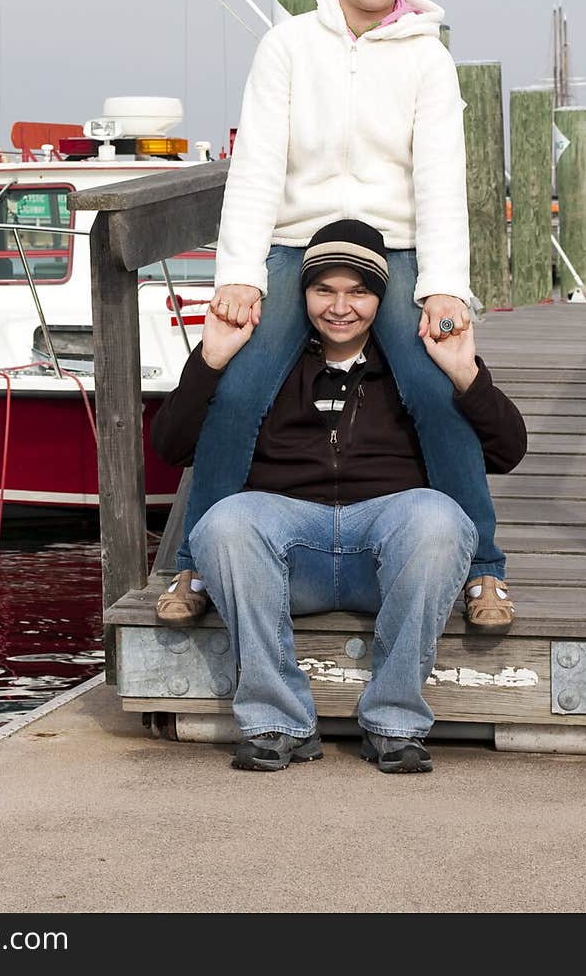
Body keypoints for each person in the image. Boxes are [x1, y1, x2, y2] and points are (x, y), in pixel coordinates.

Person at [156, 0, 514, 633]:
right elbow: (256, 163)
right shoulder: (287, 46)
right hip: (297, 243)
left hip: (398, 242)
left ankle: (483, 573)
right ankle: (196, 562)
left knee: (434, 385)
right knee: (239, 384)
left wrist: (445, 286)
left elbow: (441, 177)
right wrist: (240, 274)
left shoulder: (428, 58)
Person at [151, 220, 527, 773]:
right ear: (303, 294)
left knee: (438, 519)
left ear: (381, 297)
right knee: (226, 522)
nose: (340, 307)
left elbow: (507, 452)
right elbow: (170, 445)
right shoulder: (259, 365)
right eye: (324, 289)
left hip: (385, 552)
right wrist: (210, 361)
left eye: (359, 291)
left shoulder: (414, 368)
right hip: (288, 551)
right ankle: (276, 721)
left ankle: (395, 722)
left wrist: (465, 375)